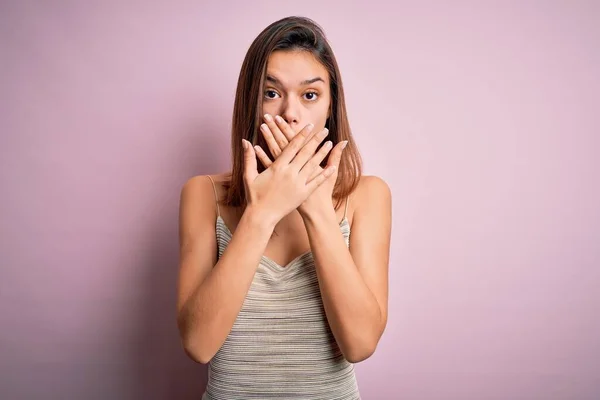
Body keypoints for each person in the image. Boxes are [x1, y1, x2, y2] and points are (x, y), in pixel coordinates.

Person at [176, 15, 392, 399]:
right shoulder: (203, 194)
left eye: (310, 95)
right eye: (271, 93)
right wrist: (262, 213)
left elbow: (360, 344)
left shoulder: (368, 196)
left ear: (330, 107)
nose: (290, 113)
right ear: (252, 103)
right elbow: (198, 344)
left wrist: (315, 209)